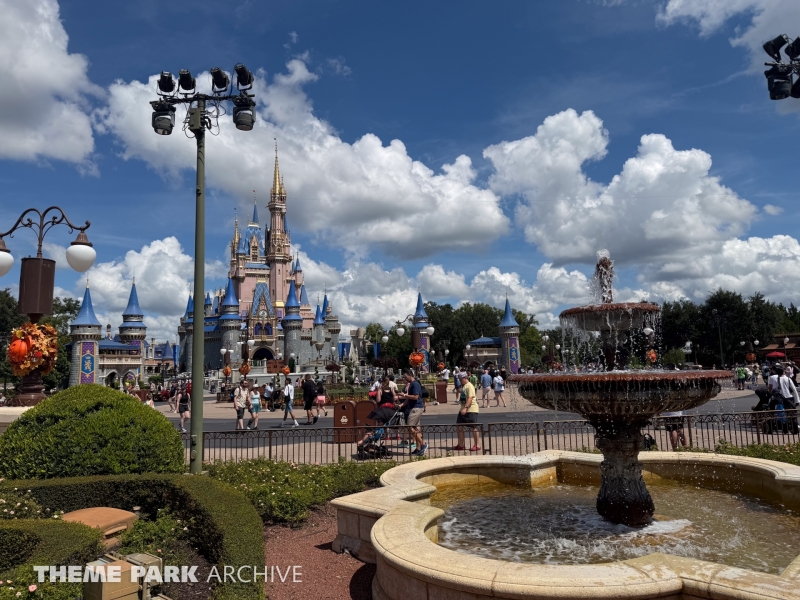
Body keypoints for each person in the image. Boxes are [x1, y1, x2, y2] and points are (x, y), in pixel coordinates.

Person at [398, 370, 427, 456]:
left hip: (416, 408)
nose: (405, 379)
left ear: (411, 375)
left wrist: (404, 395)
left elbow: (415, 397)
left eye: (406, 377)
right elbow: (409, 399)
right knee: (415, 428)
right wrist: (402, 404)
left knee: (409, 426)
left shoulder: (415, 384)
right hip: (413, 407)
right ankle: (418, 449)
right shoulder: (411, 385)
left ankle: (423, 444)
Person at [454, 373, 480, 451]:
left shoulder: (470, 386)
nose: (460, 381)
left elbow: (470, 398)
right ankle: (461, 445)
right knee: (459, 426)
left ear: (465, 378)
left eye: (461, 379)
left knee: (473, 427)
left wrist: (465, 408)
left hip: (471, 409)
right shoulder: (464, 386)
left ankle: (477, 445)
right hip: (462, 409)